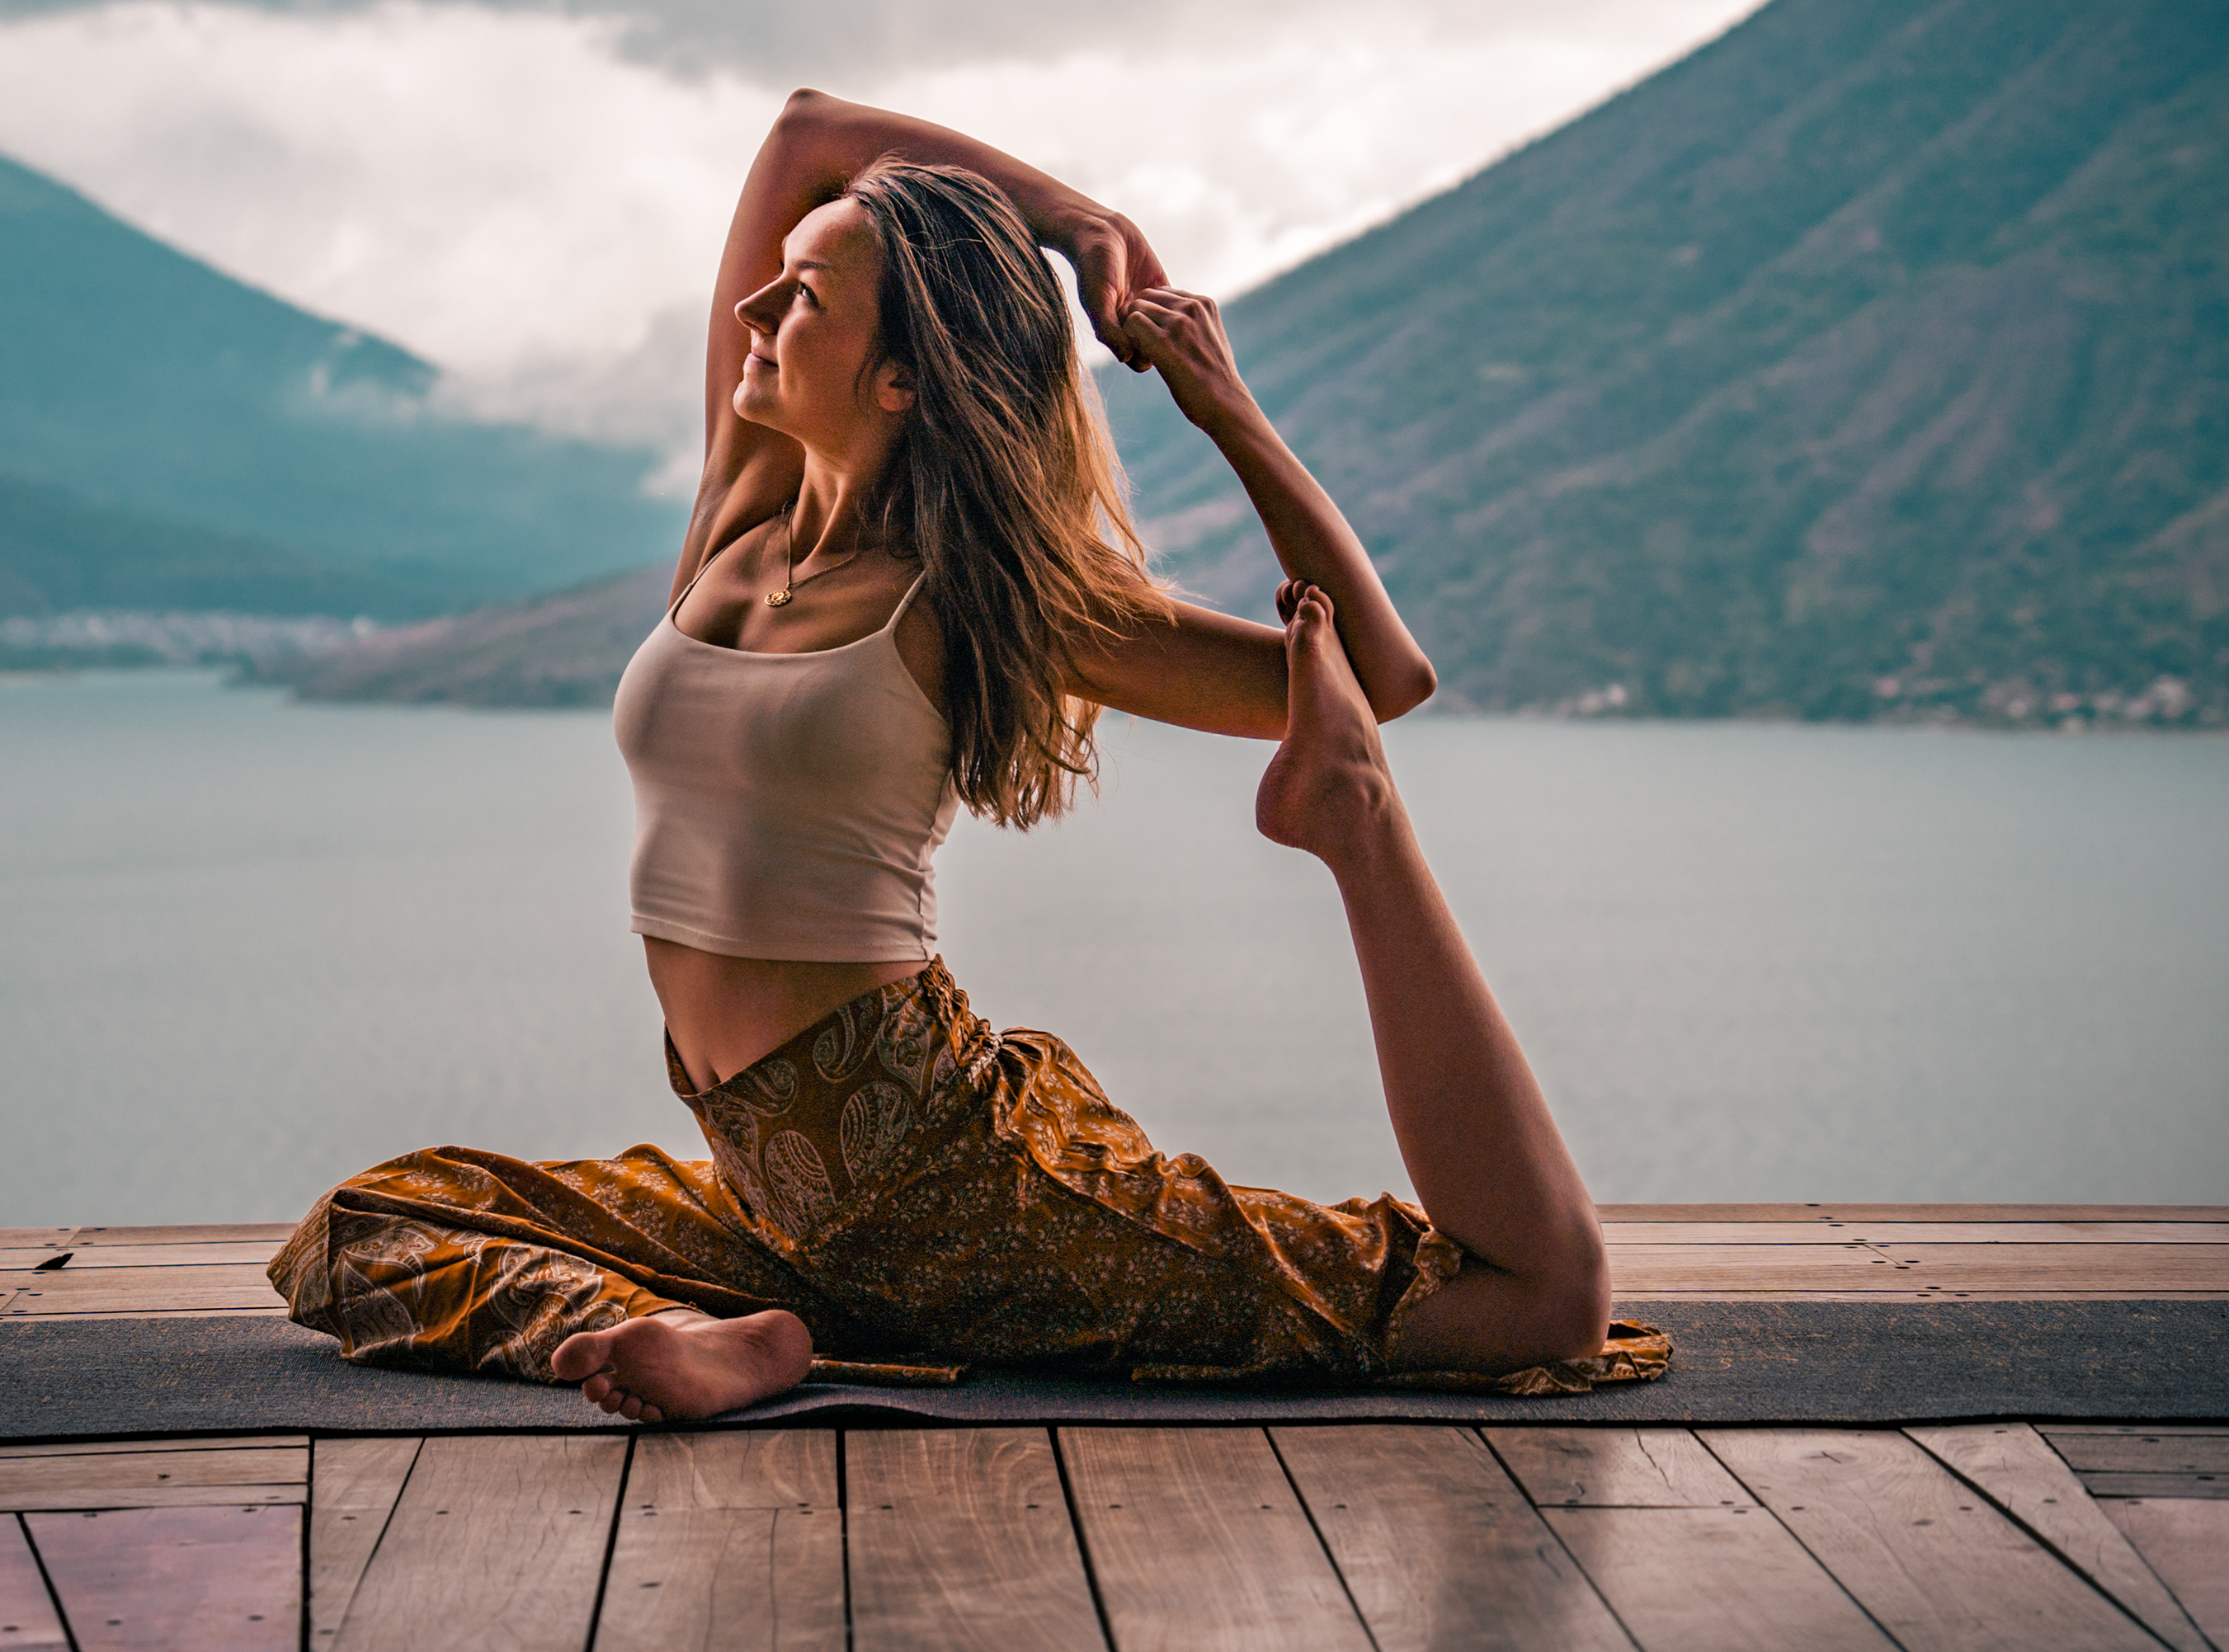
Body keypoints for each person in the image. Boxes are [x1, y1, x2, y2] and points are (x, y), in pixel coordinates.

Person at [268, 92, 1659, 1419]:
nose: (755, 303)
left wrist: (1223, 410)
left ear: (897, 381)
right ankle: (724, 1341)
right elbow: (811, 130)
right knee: (367, 1227)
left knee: (1533, 1306)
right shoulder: (739, 518)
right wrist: (1081, 223)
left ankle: (1353, 830)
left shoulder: (989, 594)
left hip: (955, 1185)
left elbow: (1380, 672)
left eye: (803, 294)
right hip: (769, 1194)